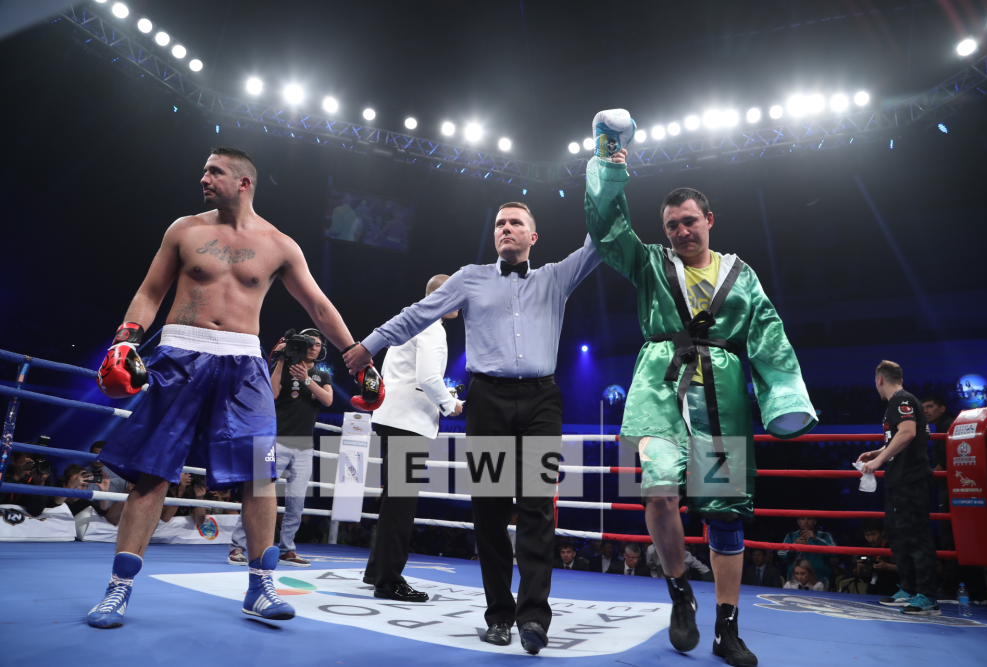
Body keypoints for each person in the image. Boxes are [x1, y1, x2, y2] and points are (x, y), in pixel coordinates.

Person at [87, 146, 357, 629]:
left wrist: (356, 354)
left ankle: (260, 587)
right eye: (204, 171)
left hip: (244, 363)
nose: (204, 178)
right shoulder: (185, 230)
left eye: (215, 171)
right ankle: (118, 589)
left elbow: (318, 307)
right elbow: (150, 291)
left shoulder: (280, 245)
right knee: (152, 473)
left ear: (243, 182)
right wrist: (126, 340)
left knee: (259, 473)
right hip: (179, 353)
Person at [584, 109, 816, 667]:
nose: (681, 231)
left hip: (721, 398)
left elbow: (769, 336)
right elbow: (607, 228)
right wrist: (609, 163)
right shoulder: (649, 264)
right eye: (672, 225)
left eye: (689, 221)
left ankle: (726, 628)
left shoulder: (742, 275)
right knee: (658, 490)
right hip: (658, 388)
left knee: (725, 514)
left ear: (709, 219)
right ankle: (678, 590)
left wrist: (784, 400)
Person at [344, 200, 601, 656]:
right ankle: (499, 615)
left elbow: (599, 242)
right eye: (500, 222)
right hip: (488, 403)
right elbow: (417, 313)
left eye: (515, 222)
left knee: (538, 507)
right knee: (490, 509)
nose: (505, 228)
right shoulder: (469, 278)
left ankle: (534, 617)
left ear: (533, 237)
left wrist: (607, 176)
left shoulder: (555, 277)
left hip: (541, 400)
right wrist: (371, 343)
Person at [362, 275, 462, 600]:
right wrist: (449, 404)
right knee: (401, 503)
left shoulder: (411, 320)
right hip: (409, 422)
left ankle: (376, 571)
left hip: (392, 416)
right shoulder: (432, 326)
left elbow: (403, 375)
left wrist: (443, 396)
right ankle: (389, 581)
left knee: (394, 499)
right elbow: (428, 377)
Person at [229, 329, 333, 568]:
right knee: (258, 493)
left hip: (304, 447)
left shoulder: (322, 376)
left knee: (296, 502)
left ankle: (287, 549)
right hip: (274, 440)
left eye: (317, 344)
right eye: (309, 343)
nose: (313, 347)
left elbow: (328, 400)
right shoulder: (284, 369)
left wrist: (306, 379)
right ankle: (237, 546)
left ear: (322, 350)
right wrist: (282, 360)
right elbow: (272, 393)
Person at [857, 360, 939, 616]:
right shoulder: (901, 401)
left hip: (911, 480)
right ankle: (909, 589)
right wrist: (877, 452)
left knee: (916, 538)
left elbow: (908, 433)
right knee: (898, 536)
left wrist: (880, 461)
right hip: (900, 480)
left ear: (880, 379)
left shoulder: (901, 400)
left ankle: (927, 596)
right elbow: (898, 438)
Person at [777, 516, 836, 587]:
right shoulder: (791, 536)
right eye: (802, 519)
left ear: (815, 521)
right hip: (795, 583)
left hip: (819, 582)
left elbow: (834, 552)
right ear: (798, 521)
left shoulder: (824, 536)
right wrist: (793, 546)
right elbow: (781, 554)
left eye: (809, 519)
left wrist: (816, 539)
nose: (806, 521)